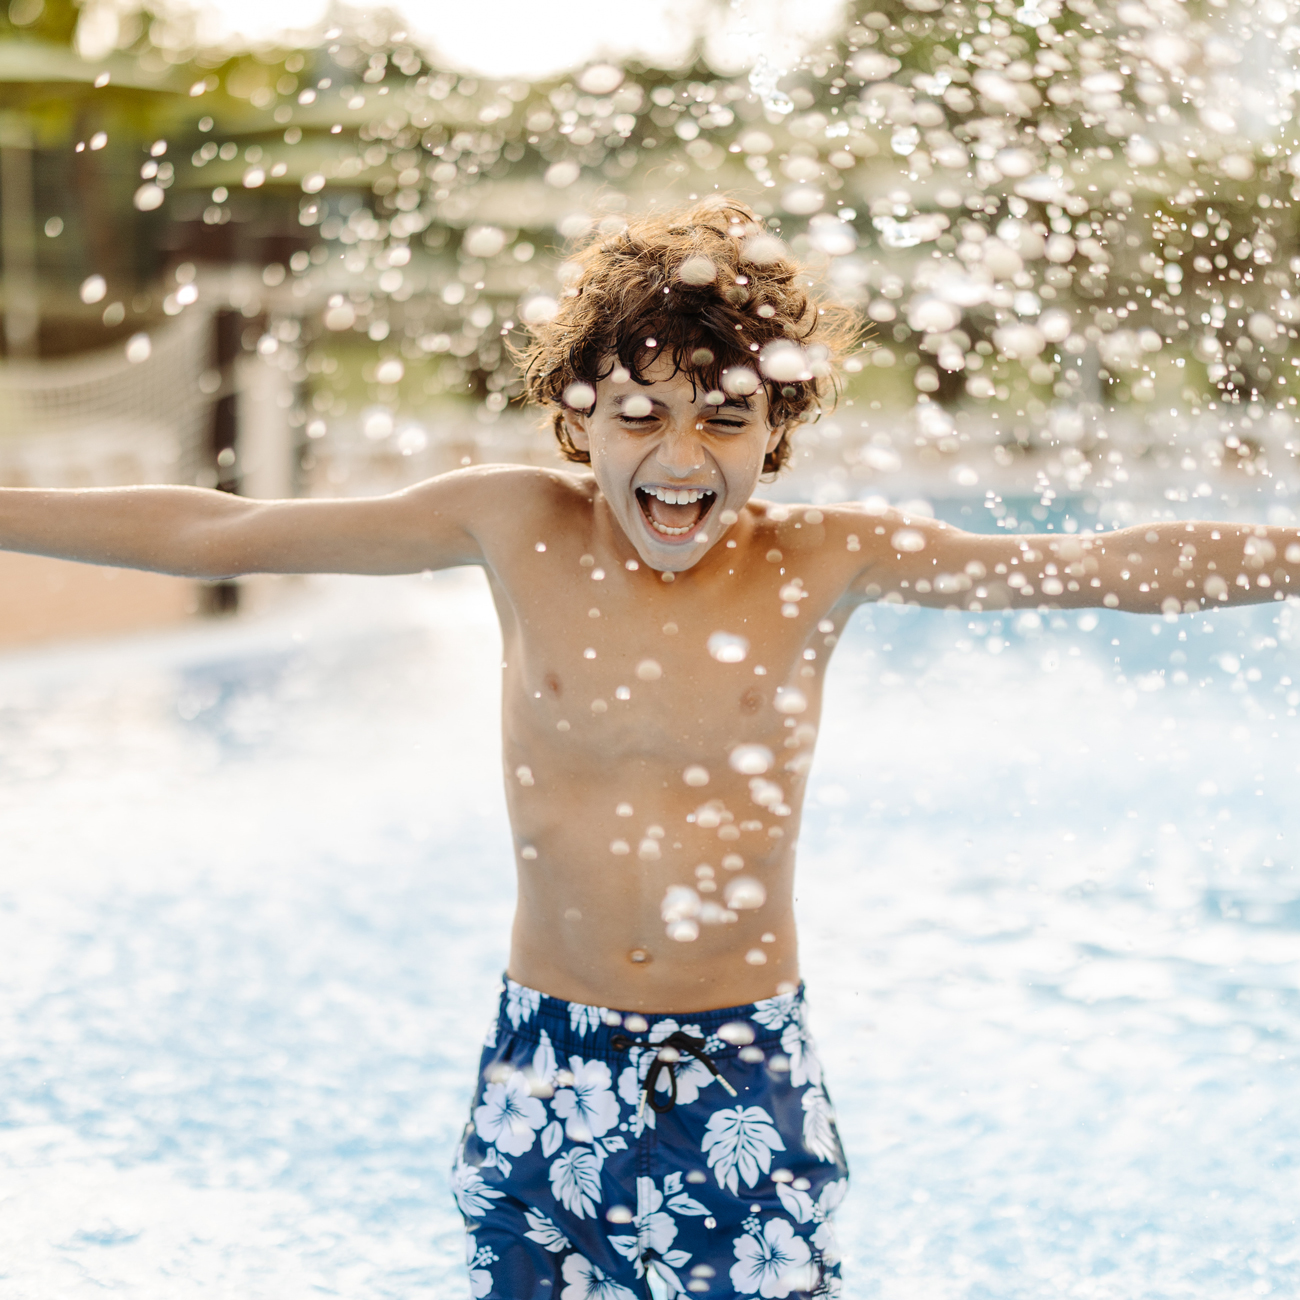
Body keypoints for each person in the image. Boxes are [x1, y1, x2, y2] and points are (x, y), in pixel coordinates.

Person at [1, 197, 1295, 1299]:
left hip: (740, 1061)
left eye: (724, 419)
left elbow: (1093, 565)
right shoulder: (514, 526)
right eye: (639, 414)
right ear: (582, 420)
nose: (680, 458)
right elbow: (222, 532)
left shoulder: (823, 559)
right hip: (546, 1058)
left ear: (776, 430)